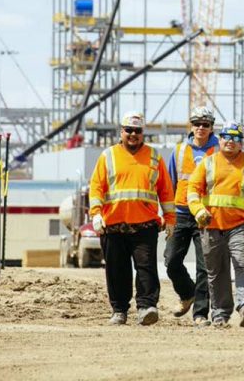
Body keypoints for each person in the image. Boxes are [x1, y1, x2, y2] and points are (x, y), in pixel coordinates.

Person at [89, 111, 176, 326]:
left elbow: (165, 190)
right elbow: (96, 187)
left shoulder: (154, 157)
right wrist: (96, 214)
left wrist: (170, 218)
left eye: (137, 131)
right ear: (122, 131)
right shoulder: (108, 156)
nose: (133, 134)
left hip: (144, 225)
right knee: (117, 270)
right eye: (129, 130)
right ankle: (119, 310)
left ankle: (147, 307)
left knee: (146, 267)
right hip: (113, 225)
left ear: (142, 133)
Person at [186, 122, 244, 329]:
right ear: (220, 139)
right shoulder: (208, 163)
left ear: (241, 142)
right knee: (217, 272)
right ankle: (220, 315)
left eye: (235, 138)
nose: (230, 141)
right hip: (211, 224)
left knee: (242, 264)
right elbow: (192, 189)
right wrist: (199, 210)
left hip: (241, 225)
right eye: (226, 136)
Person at [164, 106, 219, 327]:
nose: (200, 128)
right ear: (191, 126)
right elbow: (170, 184)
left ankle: (201, 314)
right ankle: (187, 293)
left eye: (205, 125)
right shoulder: (178, 151)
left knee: (204, 266)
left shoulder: (219, 151)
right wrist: (167, 215)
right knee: (171, 260)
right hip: (180, 214)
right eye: (197, 124)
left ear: (211, 127)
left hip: (206, 215)